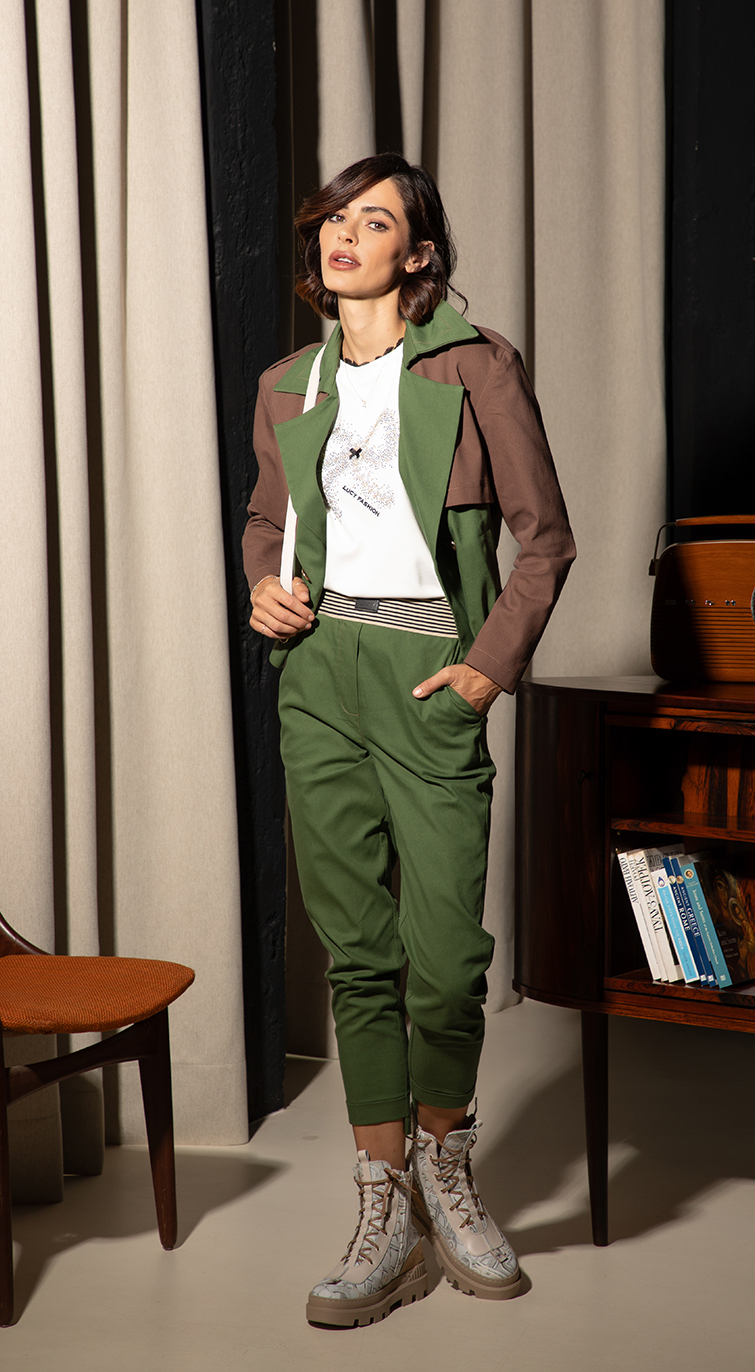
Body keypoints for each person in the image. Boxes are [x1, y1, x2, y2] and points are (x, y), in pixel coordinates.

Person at [242, 153, 574, 1328]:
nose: (344, 234)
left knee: (444, 957)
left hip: (432, 674)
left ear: (416, 254)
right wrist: (263, 590)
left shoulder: (475, 365)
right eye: (334, 217)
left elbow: (544, 539)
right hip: (320, 676)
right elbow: (269, 520)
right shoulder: (288, 382)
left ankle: (448, 1166)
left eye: (373, 220)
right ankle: (383, 1201)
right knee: (357, 951)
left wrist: (487, 670)